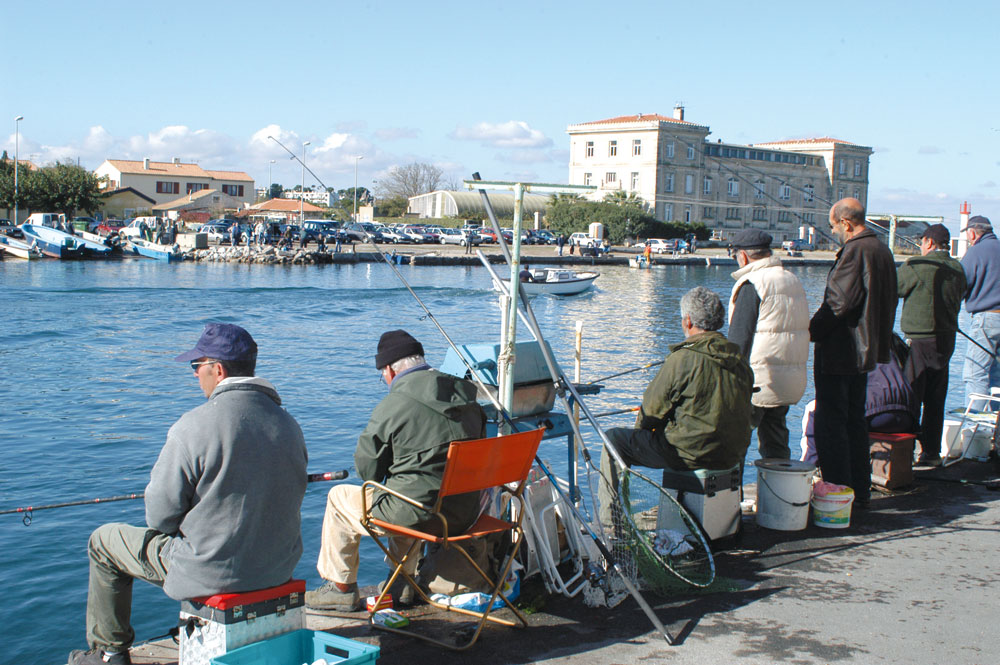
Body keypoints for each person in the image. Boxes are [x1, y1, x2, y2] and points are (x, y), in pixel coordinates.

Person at [67, 324, 308, 665]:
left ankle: (110, 653)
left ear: (218, 370)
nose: (195, 375)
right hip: (278, 568)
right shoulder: (289, 425)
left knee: (103, 542)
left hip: (210, 572)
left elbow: (159, 517)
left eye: (197, 367)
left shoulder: (193, 425)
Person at [306, 330, 486, 611]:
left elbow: (368, 471)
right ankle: (401, 583)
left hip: (423, 517)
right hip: (465, 514)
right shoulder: (467, 399)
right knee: (413, 492)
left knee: (340, 498)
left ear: (389, 369)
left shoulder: (394, 405)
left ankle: (340, 588)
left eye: (383, 376)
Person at [599, 287, 753, 527]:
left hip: (690, 453)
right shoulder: (739, 359)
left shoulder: (683, 359)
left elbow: (650, 411)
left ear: (688, 321)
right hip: (732, 454)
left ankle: (610, 524)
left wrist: (644, 432)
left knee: (613, 441)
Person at [809, 198, 897, 507]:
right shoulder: (882, 249)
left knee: (831, 423)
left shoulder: (855, 251)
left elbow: (838, 302)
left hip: (842, 349)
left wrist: (811, 330)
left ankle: (838, 490)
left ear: (846, 223)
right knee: (855, 421)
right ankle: (859, 487)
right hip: (866, 350)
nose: (835, 232)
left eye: (834, 226)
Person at [727, 229, 809, 460]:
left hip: (758, 383)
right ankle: (780, 494)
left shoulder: (753, 283)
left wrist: (730, 381)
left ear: (742, 256)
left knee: (735, 443)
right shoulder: (792, 279)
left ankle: (733, 495)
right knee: (776, 441)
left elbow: (738, 340)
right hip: (788, 380)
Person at [897, 224, 967, 464]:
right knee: (937, 398)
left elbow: (895, 288)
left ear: (928, 242)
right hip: (947, 339)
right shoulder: (958, 268)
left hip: (920, 338)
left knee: (912, 395)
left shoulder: (917, 265)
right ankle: (931, 453)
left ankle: (904, 452)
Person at [960, 215, 1000, 406]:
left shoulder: (975, 252)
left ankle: (976, 429)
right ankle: (996, 428)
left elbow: (960, 285)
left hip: (986, 319)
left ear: (973, 233)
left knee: (976, 373)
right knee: (997, 377)